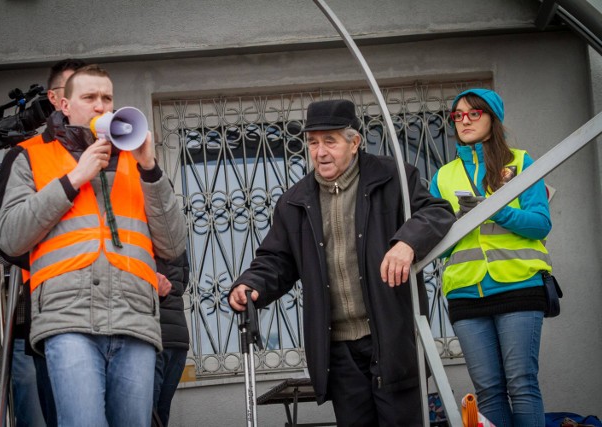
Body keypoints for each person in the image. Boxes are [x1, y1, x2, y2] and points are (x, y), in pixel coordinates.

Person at [228, 99, 455, 426]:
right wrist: (251, 284)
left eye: (330, 141)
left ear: (355, 142)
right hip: (339, 352)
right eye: (313, 142)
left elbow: (437, 212)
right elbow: (277, 260)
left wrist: (407, 242)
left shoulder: (393, 177)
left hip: (391, 338)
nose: (320, 152)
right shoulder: (295, 202)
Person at [0, 64, 187, 427]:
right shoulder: (29, 155)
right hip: (68, 319)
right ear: (64, 105)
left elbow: (173, 244)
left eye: (107, 98)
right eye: (89, 98)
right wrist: (74, 178)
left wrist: (150, 167)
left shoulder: (135, 158)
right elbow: (9, 236)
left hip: (134, 319)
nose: (101, 107)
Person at [429, 88, 552, 426]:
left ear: (492, 117)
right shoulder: (442, 176)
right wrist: (454, 227)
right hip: (466, 292)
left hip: (518, 285)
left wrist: (493, 211)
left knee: (522, 384)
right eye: (457, 116)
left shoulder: (521, 161)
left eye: (473, 113)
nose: (464, 121)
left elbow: (541, 224)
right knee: (488, 391)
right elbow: (434, 241)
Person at [0, 58, 86, 427]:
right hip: (49, 315)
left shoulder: (119, 154)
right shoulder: (29, 155)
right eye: (78, 92)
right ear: (57, 100)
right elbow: (0, 239)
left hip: (117, 318)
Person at [153, 253, 190, 426]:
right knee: (162, 411)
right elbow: (183, 282)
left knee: (147, 411)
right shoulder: (178, 245)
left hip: (156, 336)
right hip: (179, 338)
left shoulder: (145, 241)